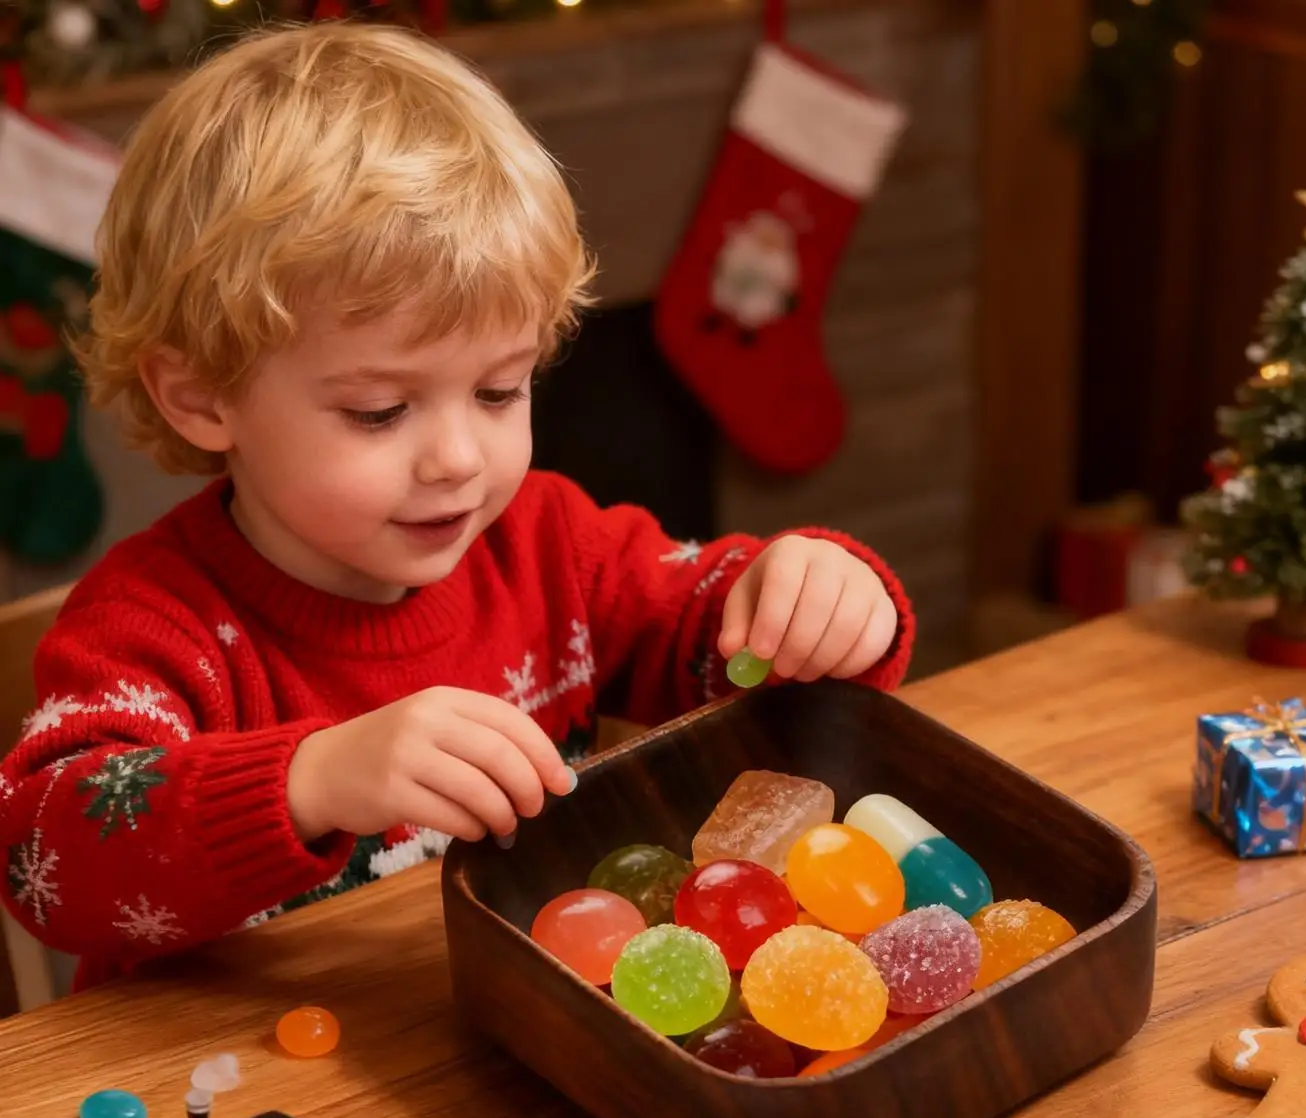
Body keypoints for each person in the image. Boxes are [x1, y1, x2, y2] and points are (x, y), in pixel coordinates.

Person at [0, 22, 913, 989]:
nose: (458, 459)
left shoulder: (549, 545)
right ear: (201, 395)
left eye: (498, 391)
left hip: (480, 1036)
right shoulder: (151, 631)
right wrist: (312, 779)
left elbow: (722, 638)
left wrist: (816, 592)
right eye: (380, 410)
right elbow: (42, 861)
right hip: (224, 1097)